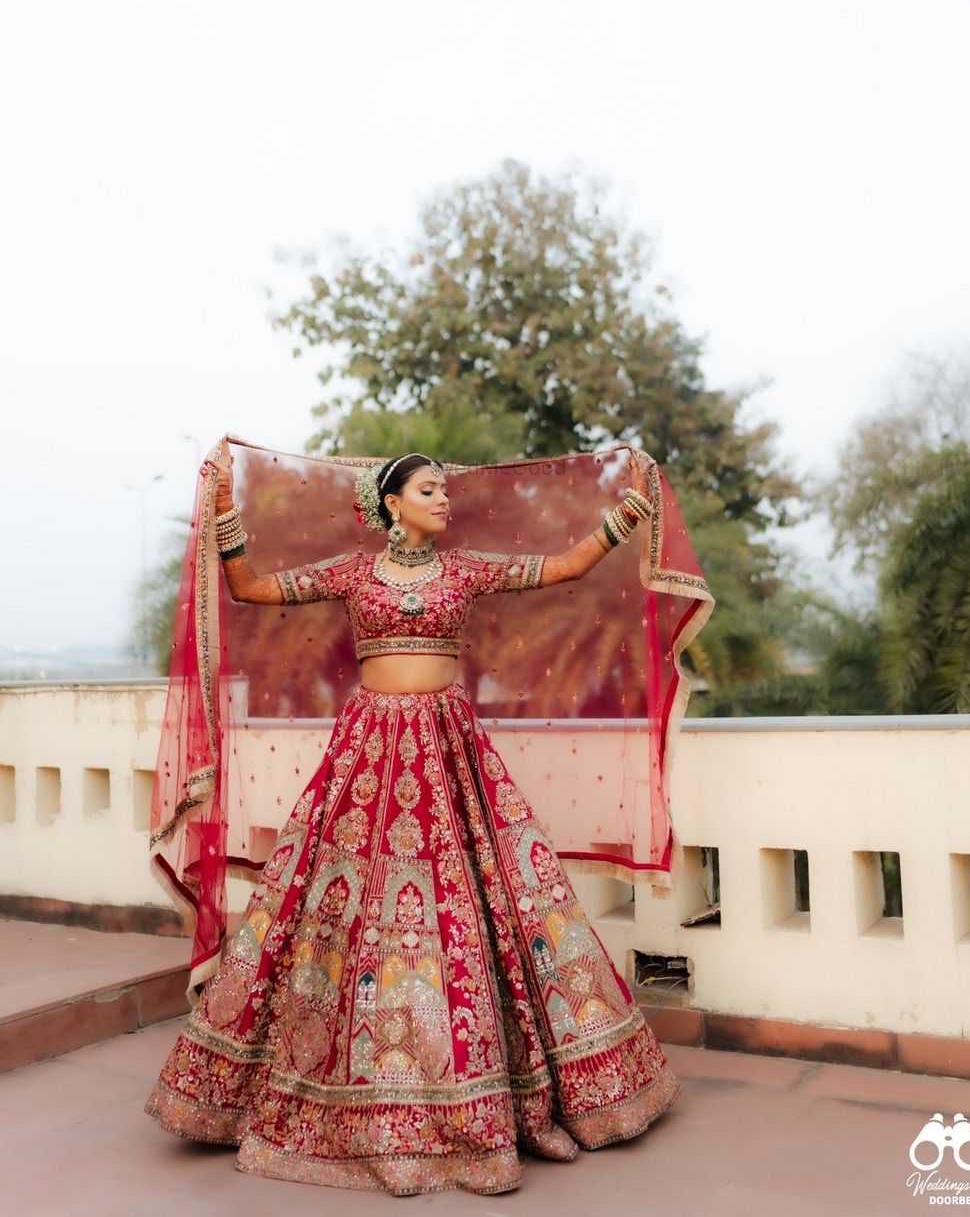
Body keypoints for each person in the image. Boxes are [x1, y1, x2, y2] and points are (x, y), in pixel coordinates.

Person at [144, 450, 684, 1196]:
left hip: (448, 749)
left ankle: (489, 1093)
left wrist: (625, 513)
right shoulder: (351, 573)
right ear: (393, 503)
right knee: (343, 914)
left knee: (480, 908)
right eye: (429, 490)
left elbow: (561, 568)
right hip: (369, 753)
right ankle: (336, 1092)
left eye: (446, 490)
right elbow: (250, 587)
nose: (444, 501)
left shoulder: (463, 569)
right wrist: (227, 506)